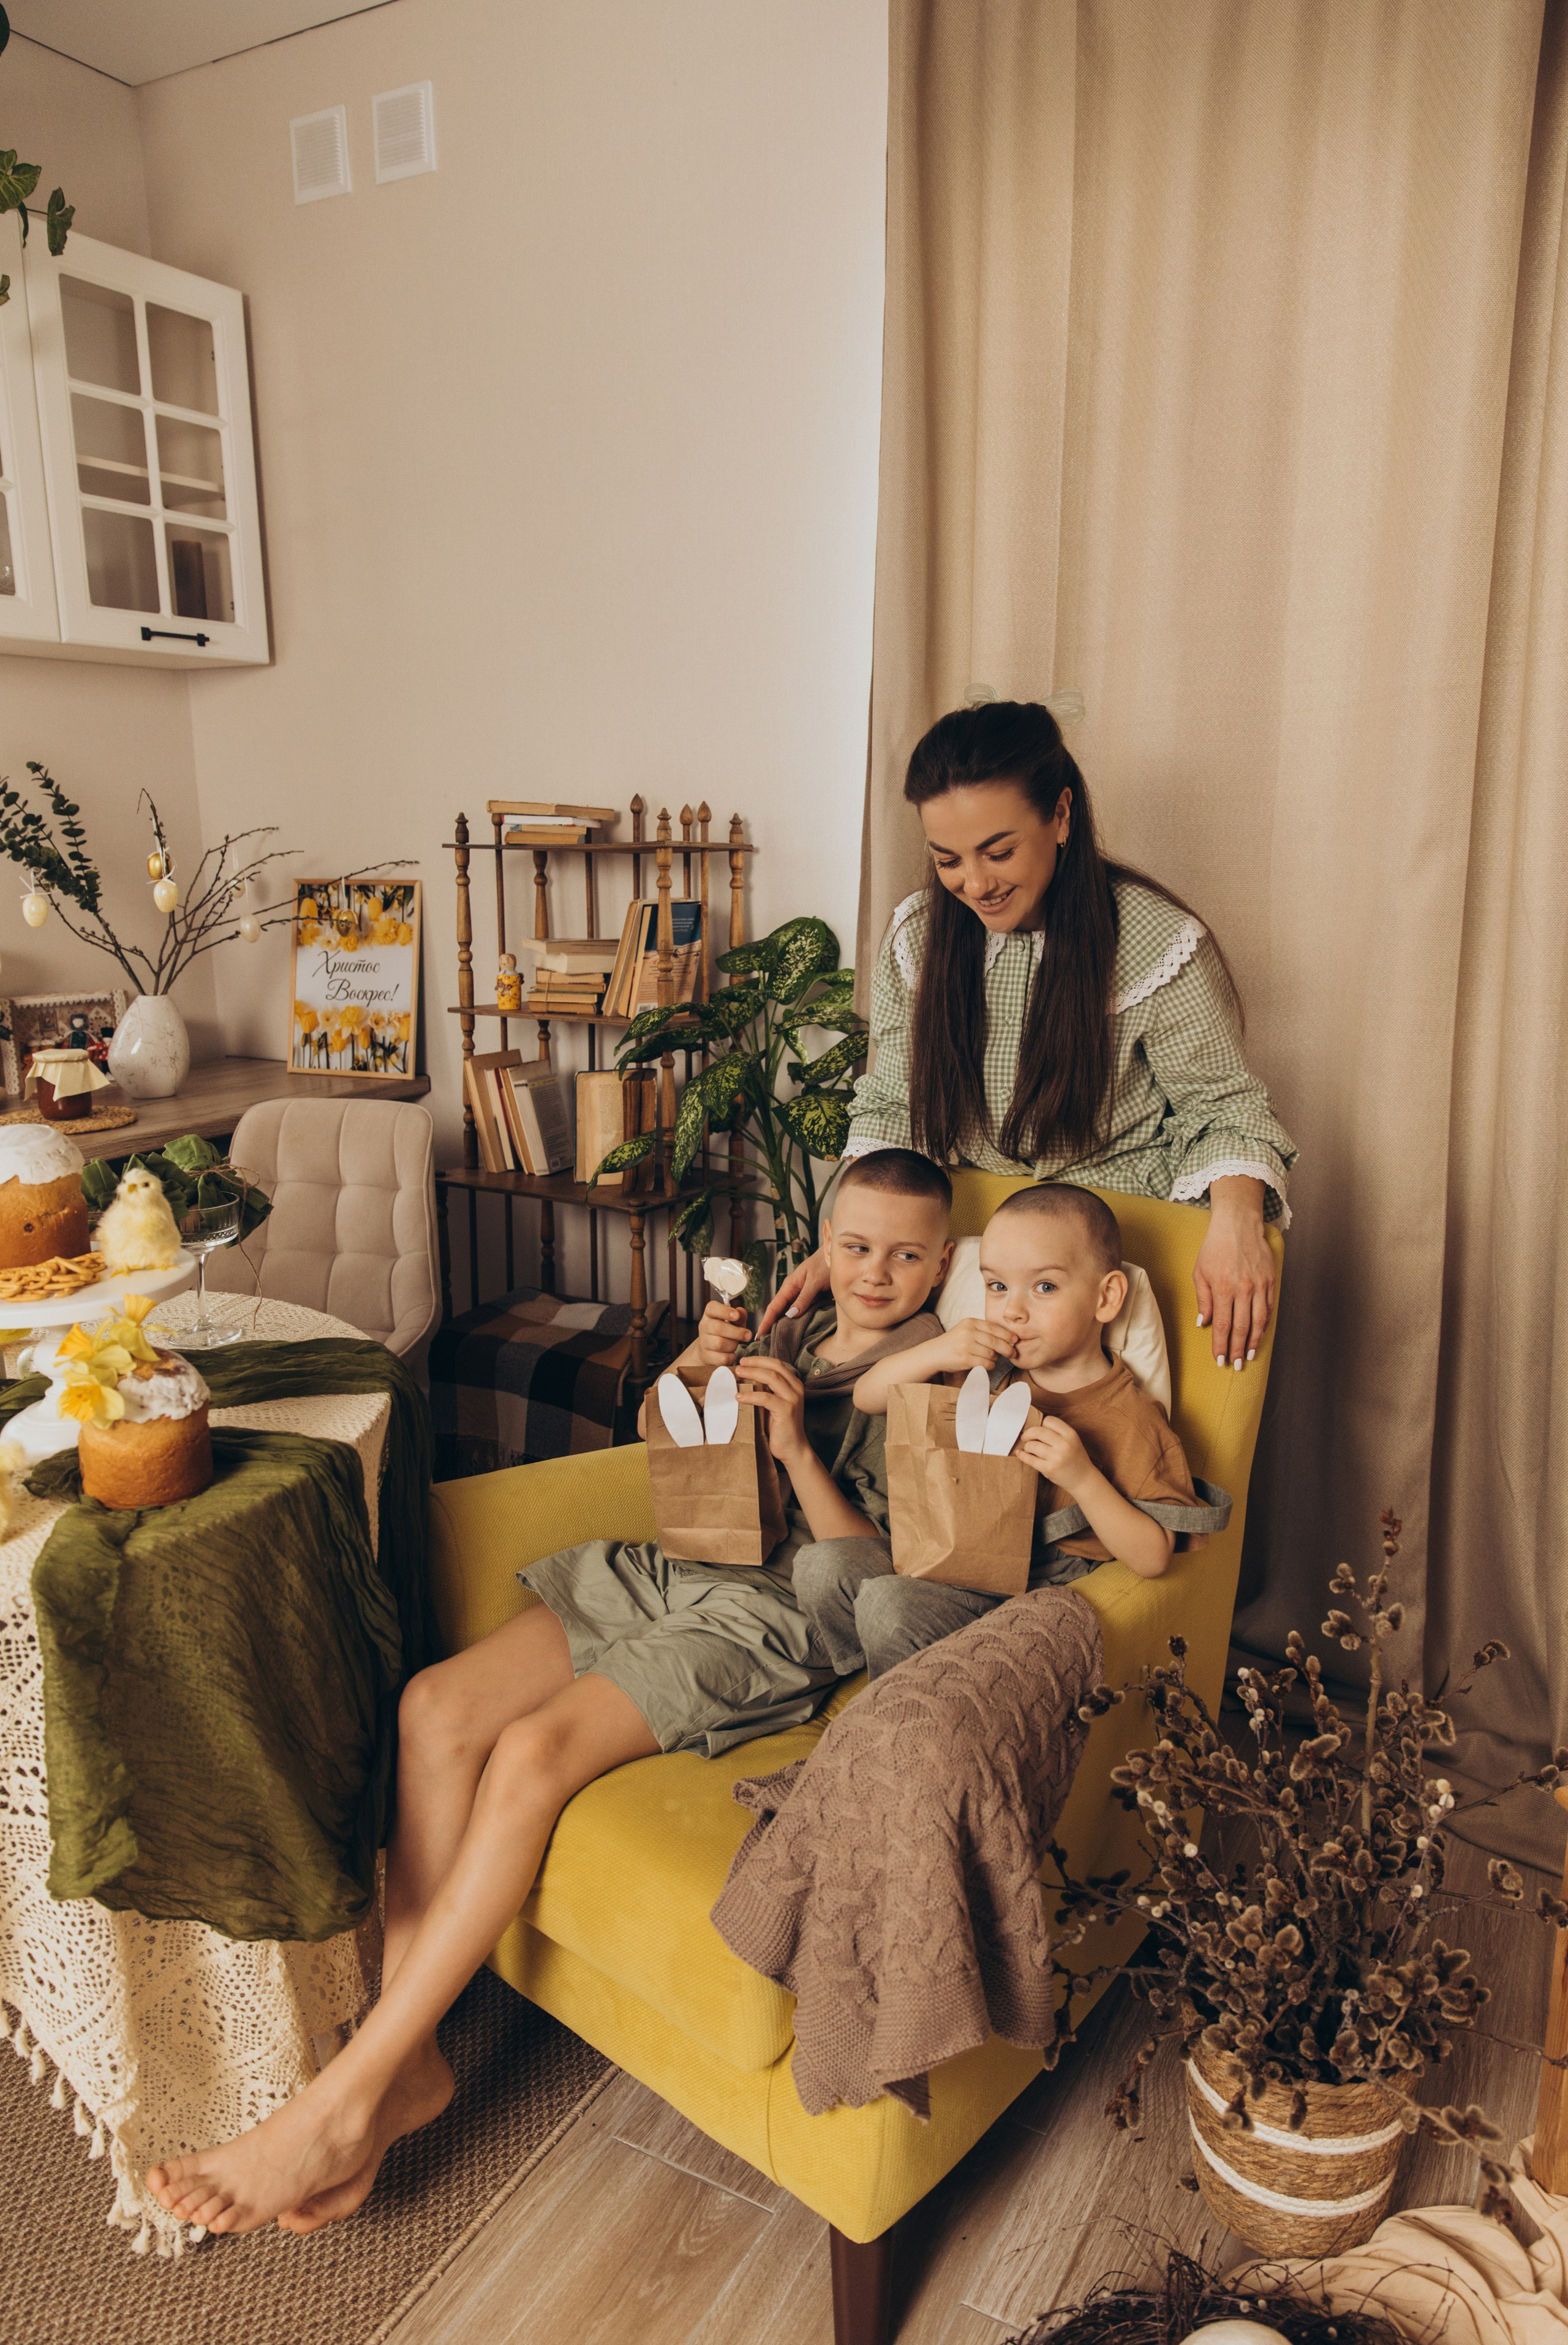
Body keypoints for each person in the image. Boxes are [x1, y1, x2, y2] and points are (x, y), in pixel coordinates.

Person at [145, 1147, 953, 2238]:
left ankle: (341, 2104)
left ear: (942, 1262)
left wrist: (799, 1448)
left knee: (530, 1755)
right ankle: (407, 2060)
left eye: (906, 1257)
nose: (877, 1274)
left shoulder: (940, 1382)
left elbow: (873, 1581)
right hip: (686, 1562)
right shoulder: (794, 1329)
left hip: (777, 1615)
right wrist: (695, 1372)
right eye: (856, 1247)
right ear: (824, 1246)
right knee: (434, 1709)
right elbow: (675, 1453)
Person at [762, 700, 1297, 1372]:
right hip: (964, 1248)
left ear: (1061, 814)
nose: (975, 883)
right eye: (948, 859)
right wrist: (850, 1246)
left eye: (999, 851)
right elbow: (894, 1103)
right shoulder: (917, 935)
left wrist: (1238, 1224)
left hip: (1106, 1245)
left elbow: (1221, 1106)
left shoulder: (1154, 940)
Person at [798, 1183, 1221, 1680]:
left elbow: (1153, 1558)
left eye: (1045, 1288)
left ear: (1106, 1298)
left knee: (888, 1607)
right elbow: (868, 1397)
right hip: (954, 1548)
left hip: (1032, 1587)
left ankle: (901, 1698)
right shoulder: (988, 1372)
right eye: (997, 1287)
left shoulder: (1132, 1419)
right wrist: (937, 1352)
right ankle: (874, 1671)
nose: (1013, 1311)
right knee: (820, 1566)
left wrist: (1082, 1476)